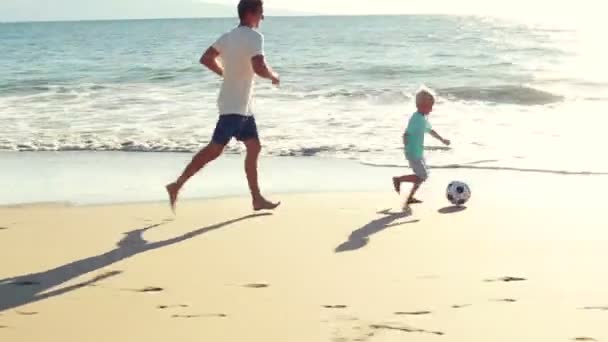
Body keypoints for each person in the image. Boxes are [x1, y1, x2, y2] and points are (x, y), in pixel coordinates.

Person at [166, 0, 280, 212]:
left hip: (240, 106)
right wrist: (273, 76)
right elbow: (259, 66)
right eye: (260, 13)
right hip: (234, 107)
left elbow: (206, 58)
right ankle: (176, 185)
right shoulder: (255, 37)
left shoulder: (227, 37)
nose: (262, 18)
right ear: (250, 13)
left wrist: (225, 74)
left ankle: (256, 198)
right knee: (214, 150)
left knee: (254, 147)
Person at [393, 87, 451, 208]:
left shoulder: (422, 118)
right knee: (422, 175)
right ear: (420, 106)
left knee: (422, 176)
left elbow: (430, 130)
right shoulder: (416, 119)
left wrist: (442, 139)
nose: (431, 109)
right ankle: (399, 180)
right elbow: (407, 132)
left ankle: (409, 197)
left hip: (417, 151)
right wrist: (405, 138)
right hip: (413, 152)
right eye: (430, 106)